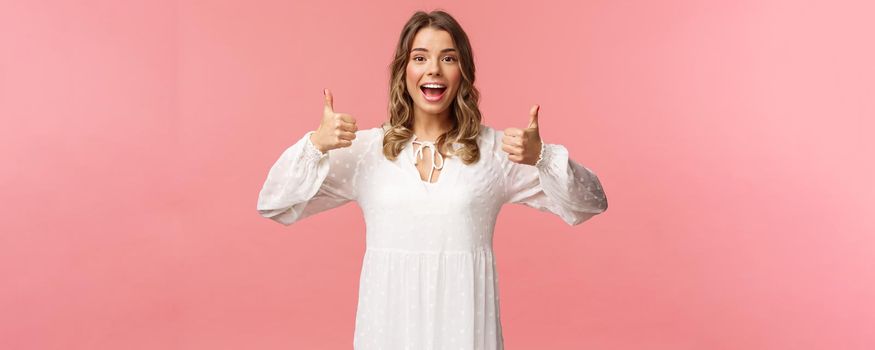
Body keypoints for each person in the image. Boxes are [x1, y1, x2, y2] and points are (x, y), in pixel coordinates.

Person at [256, 9, 608, 350]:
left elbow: (590, 203)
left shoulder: (496, 152)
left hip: (465, 332)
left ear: (464, 72)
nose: (434, 70)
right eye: (420, 58)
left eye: (449, 58)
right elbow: (275, 205)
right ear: (403, 70)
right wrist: (315, 145)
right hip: (387, 331)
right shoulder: (367, 151)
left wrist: (542, 157)